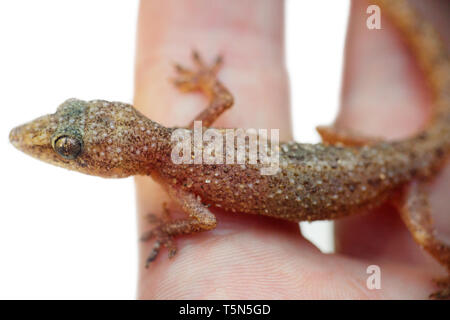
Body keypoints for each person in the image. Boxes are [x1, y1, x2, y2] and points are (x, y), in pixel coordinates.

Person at [134, 0, 450, 299]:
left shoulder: (175, 176)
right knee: (333, 136)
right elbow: (223, 100)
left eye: (80, 152)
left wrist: (169, 228)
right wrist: (207, 80)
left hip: (402, 177)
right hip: (361, 161)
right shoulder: (190, 136)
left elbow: (204, 221)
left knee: (427, 238)